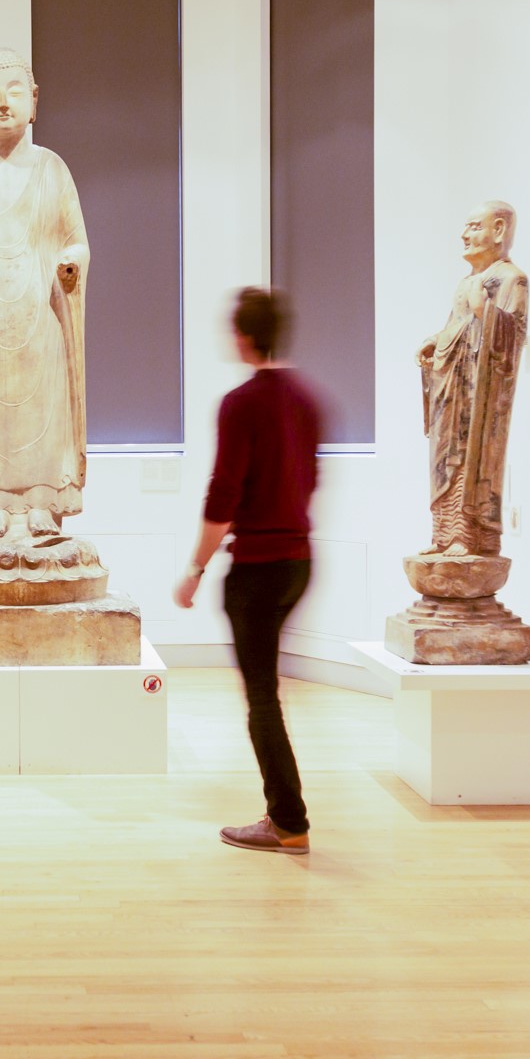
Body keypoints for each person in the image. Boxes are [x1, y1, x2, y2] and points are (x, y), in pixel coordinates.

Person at [174, 288, 321, 856]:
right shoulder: (308, 399)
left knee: (262, 697)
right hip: (300, 562)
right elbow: (307, 480)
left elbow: (224, 494)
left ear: (242, 336)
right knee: (267, 691)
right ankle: (284, 814)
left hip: (257, 569)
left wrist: (195, 568)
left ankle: (287, 820)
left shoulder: (240, 403)